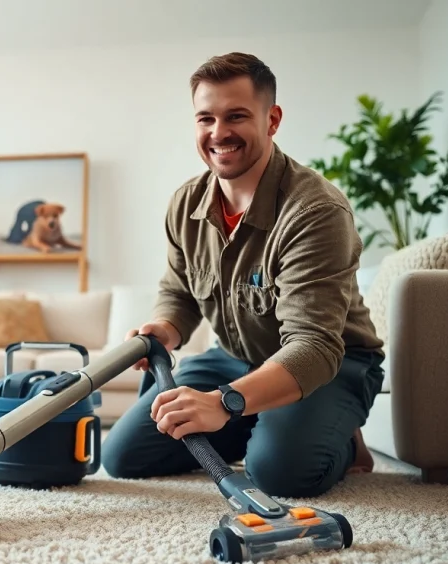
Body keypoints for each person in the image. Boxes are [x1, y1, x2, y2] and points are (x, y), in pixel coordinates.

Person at [101, 52, 385, 498]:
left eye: (236, 116)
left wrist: (222, 402)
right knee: (123, 458)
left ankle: (341, 439)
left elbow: (313, 347)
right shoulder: (185, 204)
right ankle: (263, 418)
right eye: (205, 118)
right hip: (235, 357)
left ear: (272, 119)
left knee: (280, 473)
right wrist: (165, 327)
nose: (218, 133)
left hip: (331, 364)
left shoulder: (316, 212)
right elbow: (179, 291)